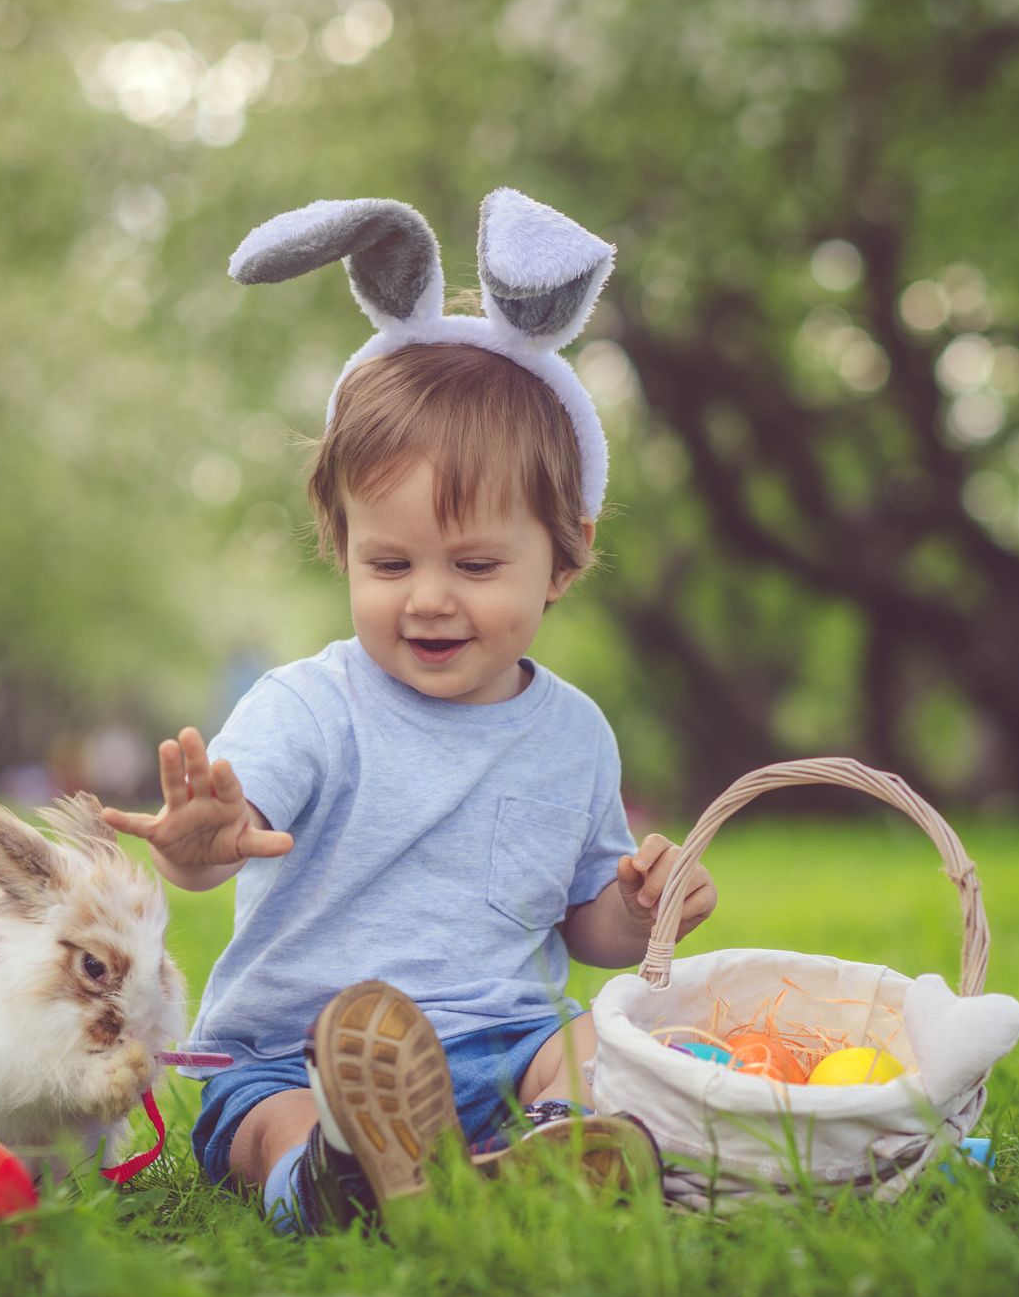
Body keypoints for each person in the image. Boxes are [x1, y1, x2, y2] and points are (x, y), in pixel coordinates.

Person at [103, 192, 718, 1233]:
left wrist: (640, 910)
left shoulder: (574, 735)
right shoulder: (308, 705)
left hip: (506, 1038)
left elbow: (586, 921)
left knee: (596, 1038)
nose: (428, 596)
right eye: (388, 562)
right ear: (341, 544)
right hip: (306, 1049)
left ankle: (554, 1143)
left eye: (476, 564)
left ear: (565, 554)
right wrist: (199, 844)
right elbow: (224, 841)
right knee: (263, 1116)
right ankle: (332, 1170)